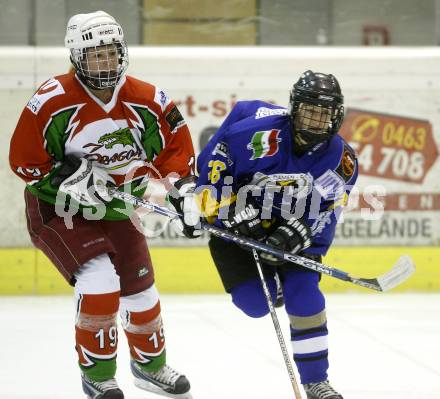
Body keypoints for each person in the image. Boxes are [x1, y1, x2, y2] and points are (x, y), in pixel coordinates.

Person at [9, 11, 197, 399]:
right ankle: (98, 374)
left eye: (111, 52)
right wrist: (66, 177)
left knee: (141, 290)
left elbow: (176, 152)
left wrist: (184, 192)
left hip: (115, 209)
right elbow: (23, 160)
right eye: (95, 55)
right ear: (77, 57)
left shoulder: (148, 100)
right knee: (100, 282)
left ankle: (151, 369)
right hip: (58, 210)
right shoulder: (52, 101)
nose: (105, 62)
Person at [183, 70, 358, 399]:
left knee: (304, 293)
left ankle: (315, 381)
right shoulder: (254, 135)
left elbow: (325, 211)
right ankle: (273, 287)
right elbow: (214, 166)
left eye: (325, 113)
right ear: (294, 109)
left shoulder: (341, 160)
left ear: (337, 116)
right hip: (240, 221)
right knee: (255, 304)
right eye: (309, 111)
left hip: (291, 223)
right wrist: (223, 210)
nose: (316, 120)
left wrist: (294, 234)